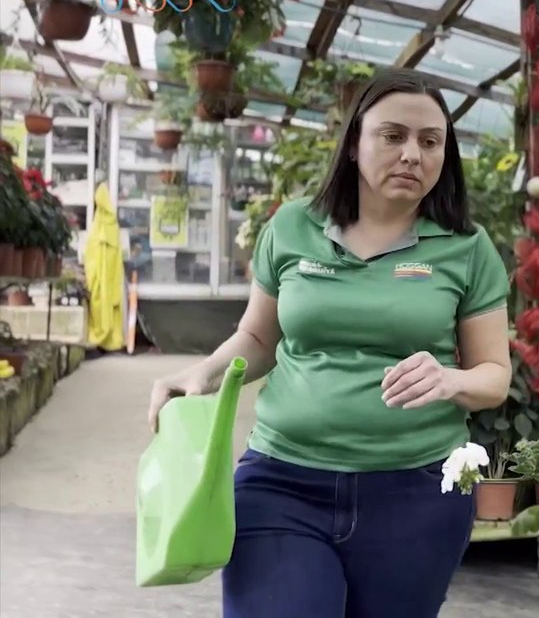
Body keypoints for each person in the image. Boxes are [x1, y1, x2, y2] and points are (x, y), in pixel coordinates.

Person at [147, 68, 512, 618]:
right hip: (282, 480)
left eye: (430, 141)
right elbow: (258, 336)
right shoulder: (293, 227)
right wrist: (207, 370)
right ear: (353, 144)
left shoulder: (466, 248)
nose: (412, 154)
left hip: (415, 495)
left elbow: (494, 375)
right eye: (393, 136)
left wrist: (452, 379)